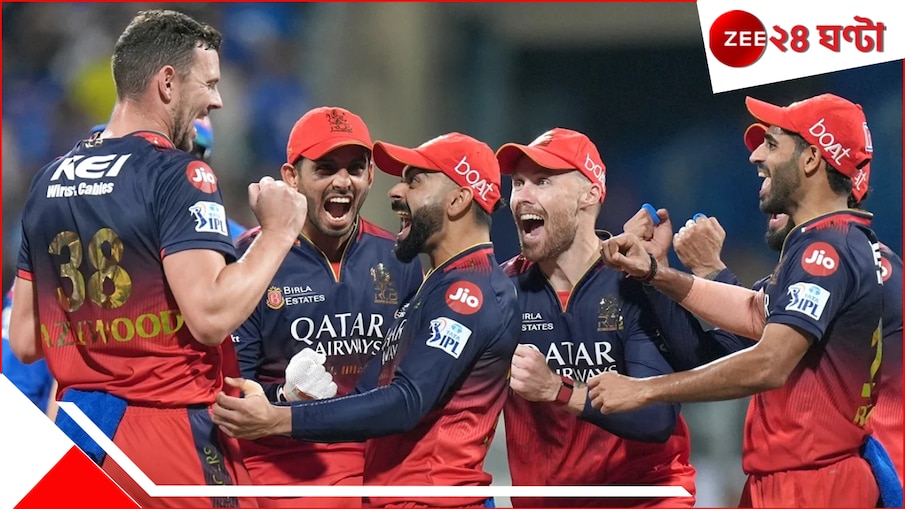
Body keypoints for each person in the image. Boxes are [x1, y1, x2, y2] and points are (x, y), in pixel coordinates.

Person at [8, 9, 307, 508]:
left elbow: (24, 340)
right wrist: (278, 233)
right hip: (164, 434)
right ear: (167, 82)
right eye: (208, 84)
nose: (217, 100)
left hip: (75, 431)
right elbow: (209, 317)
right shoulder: (179, 174)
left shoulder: (48, 181)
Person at [594, 93, 884, 506]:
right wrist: (655, 272)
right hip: (792, 478)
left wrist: (645, 390)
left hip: (817, 485)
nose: (755, 156)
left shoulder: (827, 249)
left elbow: (770, 361)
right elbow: (753, 311)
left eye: (772, 144)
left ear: (811, 159)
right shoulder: (823, 243)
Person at [212, 132, 520, 508]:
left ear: (457, 200)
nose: (395, 191)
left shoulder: (470, 292)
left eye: (414, 181)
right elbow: (365, 394)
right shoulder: (436, 285)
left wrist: (278, 419)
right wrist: (282, 399)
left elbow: (406, 401)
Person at [232, 106, 423, 508]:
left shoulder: (399, 260)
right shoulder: (250, 258)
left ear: (370, 176)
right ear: (292, 177)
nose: (342, 181)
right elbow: (232, 395)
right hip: (283, 472)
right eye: (325, 168)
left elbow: (409, 385)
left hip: (376, 467)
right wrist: (285, 395)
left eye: (355, 168)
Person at [672, 154, 902, 486]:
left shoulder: (838, 263)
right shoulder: (839, 261)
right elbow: (752, 323)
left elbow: (756, 349)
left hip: (858, 478)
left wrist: (646, 391)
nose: (772, 196)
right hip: (828, 474)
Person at [495, 128, 695, 507]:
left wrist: (558, 389)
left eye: (542, 181)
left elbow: (657, 418)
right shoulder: (498, 292)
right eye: (518, 183)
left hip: (643, 498)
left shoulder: (634, 280)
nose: (522, 196)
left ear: (589, 194)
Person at [0, 116, 238, 421]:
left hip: (161, 419)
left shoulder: (231, 245)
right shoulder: (55, 242)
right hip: (91, 420)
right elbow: (21, 369)